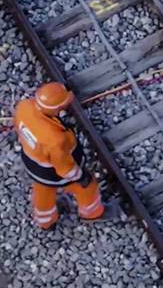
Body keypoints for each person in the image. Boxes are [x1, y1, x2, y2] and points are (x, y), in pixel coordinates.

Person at [13, 82, 105, 228]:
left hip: (32, 162)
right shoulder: (55, 140)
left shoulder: (24, 107)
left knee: (43, 194)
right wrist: (81, 177)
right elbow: (64, 168)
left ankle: (45, 222)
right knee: (87, 188)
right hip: (52, 173)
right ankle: (92, 213)